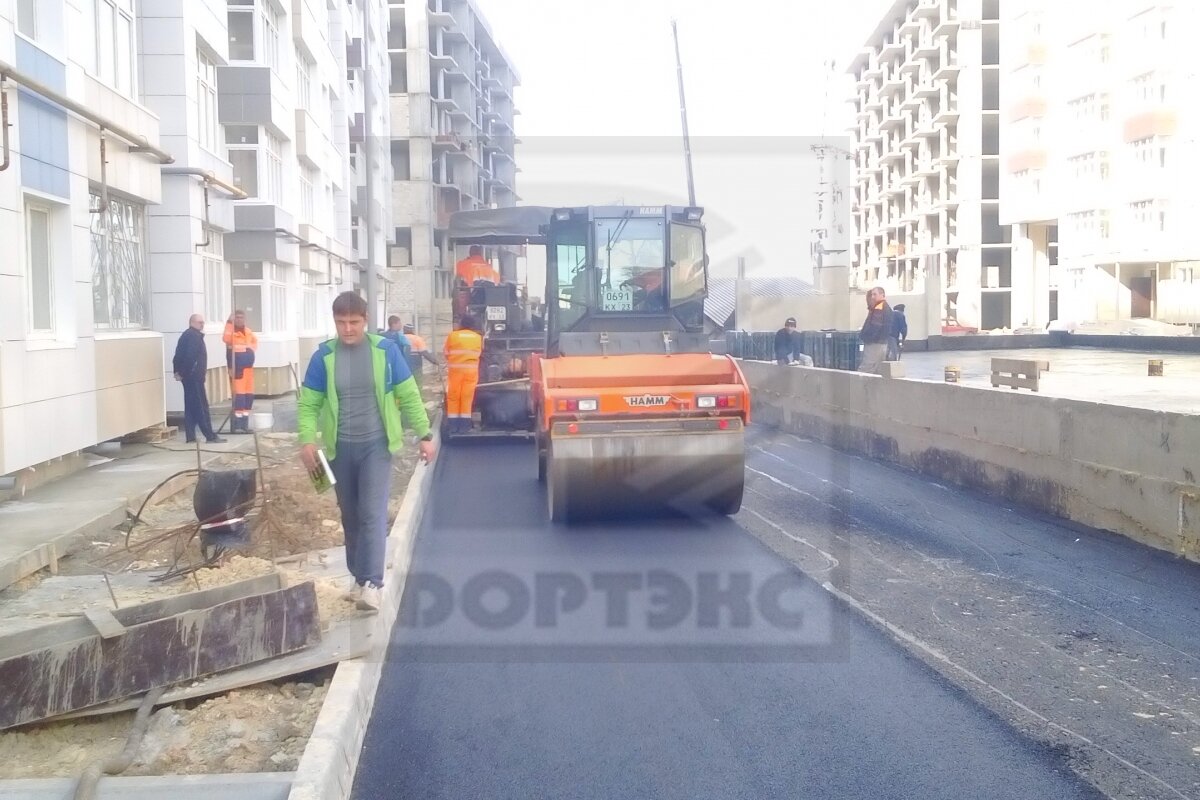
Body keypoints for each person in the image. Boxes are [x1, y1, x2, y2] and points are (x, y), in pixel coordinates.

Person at [297, 292, 435, 612]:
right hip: (339, 449)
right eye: (341, 323)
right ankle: (358, 578)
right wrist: (306, 440)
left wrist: (425, 434)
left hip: (376, 445)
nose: (348, 329)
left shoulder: (384, 352)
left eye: (354, 323)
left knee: (372, 513)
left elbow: (409, 394)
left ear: (366, 321)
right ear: (334, 322)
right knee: (351, 516)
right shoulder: (323, 357)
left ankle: (372, 583)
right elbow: (309, 404)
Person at [172, 314, 226, 444]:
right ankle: (209, 435)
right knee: (200, 406)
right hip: (193, 377)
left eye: (203, 322)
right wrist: (183, 372)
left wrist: (178, 372)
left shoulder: (187, 335)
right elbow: (190, 357)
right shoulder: (193, 336)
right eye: (200, 322)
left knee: (190, 407)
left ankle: (190, 436)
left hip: (189, 377)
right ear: (192, 322)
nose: (202, 325)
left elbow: (177, 356)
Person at [443, 313, 483, 434]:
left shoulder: (453, 336)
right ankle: (465, 427)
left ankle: (453, 426)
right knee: (467, 397)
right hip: (471, 372)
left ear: (461, 323)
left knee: (454, 397)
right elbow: (480, 353)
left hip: (455, 371)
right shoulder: (477, 337)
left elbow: (446, 352)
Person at [223, 310, 258, 433]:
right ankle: (237, 425)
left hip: (249, 369)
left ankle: (245, 425)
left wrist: (250, 352)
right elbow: (226, 338)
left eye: (241, 317)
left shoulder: (248, 331)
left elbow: (254, 342)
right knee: (239, 397)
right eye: (237, 317)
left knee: (248, 397)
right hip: (238, 369)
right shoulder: (232, 333)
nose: (239, 320)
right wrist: (228, 322)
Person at [858, 286, 895, 374]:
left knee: (865, 369)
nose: (873, 297)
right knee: (878, 370)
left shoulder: (879, 307)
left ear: (882, 295)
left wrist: (867, 337)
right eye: (872, 295)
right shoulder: (885, 306)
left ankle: (858, 387)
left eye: (875, 294)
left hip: (874, 344)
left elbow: (875, 326)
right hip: (882, 342)